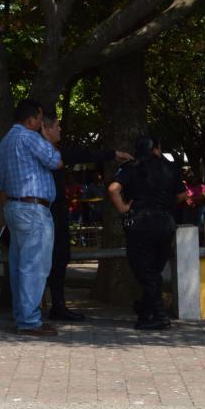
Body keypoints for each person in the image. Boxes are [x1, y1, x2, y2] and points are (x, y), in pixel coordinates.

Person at [39, 113, 133, 322]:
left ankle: (58, 303)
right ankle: (45, 306)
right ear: (46, 128)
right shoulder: (41, 152)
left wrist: (111, 154)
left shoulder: (55, 152)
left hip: (57, 210)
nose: (60, 130)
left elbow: (80, 154)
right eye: (57, 126)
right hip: (46, 211)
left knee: (61, 256)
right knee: (45, 259)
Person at [0, 100, 63, 336]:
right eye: (40, 121)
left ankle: (22, 315)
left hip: (14, 207)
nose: (41, 125)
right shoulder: (31, 137)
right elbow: (56, 161)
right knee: (34, 266)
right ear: (31, 120)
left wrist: (8, 211)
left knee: (19, 266)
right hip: (34, 208)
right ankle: (30, 321)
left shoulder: (4, 143)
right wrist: (45, 137)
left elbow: (0, 184)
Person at [108, 137, 186, 330]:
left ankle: (158, 315)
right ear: (157, 149)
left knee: (147, 272)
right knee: (154, 271)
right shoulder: (171, 168)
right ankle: (146, 309)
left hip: (140, 223)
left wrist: (124, 209)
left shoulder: (131, 167)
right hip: (165, 223)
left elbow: (113, 189)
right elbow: (182, 195)